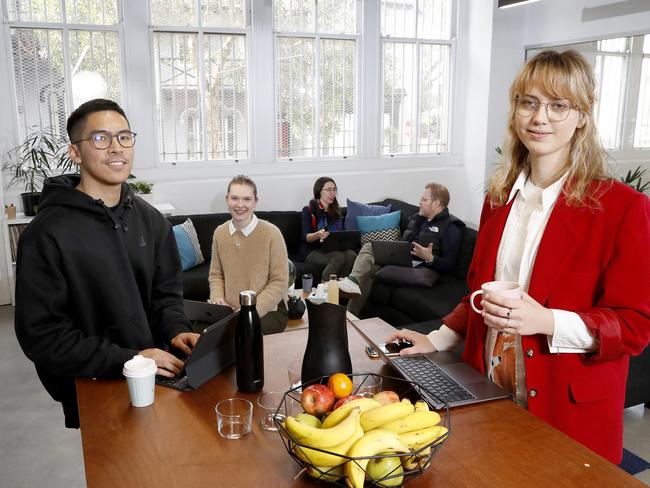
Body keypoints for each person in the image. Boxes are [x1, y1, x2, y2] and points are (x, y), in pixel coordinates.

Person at [388, 50, 650, 464]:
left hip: (568, 414)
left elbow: (634, 326)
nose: (540, 117)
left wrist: (545, 321)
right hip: (489, 391)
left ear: (582, 115)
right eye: (528, 102)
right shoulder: (498, 198)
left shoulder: (622, 208)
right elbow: (480, 296)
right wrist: (435, 339)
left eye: (558, 105)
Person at [14, 98, 199, 428]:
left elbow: (165, 296)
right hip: (94, 386)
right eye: (101, 138)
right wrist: (130, 359)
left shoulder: (152, 221)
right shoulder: (46, 233)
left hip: (160, 378)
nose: (116, 148)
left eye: (124, 137)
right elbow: (43, 336)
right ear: (75, 152)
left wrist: (176, 330)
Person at [339, 182, 465, 316]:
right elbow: (407, 242)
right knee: (369, 256)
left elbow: (450, 265)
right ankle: (349, 317)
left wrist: (430, 258)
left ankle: (352, 283)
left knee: (369, 252)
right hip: (404, 259)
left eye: (424, 199)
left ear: (436, 203)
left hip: (422, 268)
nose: (420, 202)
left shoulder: (451, 227)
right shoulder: (420, 219)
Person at [208, 175, 289, 334]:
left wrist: (248, 312)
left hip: (268, 311)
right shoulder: (220, 233)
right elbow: (216, 275)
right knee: (200, 333)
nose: (240, 205)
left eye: (246, 199)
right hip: (229, 312)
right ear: (227, 200)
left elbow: (279, 282)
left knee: (239, 334)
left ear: (255, 202)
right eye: (234, 198)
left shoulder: (271, 233)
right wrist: (218, 299)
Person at [297, 176, 357, 282]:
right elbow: (306, 237)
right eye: (328, 190)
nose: (332, 193)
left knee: (351, 254)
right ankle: (324, 290)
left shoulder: (336, 211)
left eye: (334, 190)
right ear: (319, 191)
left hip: (330, 248)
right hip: (311, 250)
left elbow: (340, 235)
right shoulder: (309, 210)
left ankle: (340, 286)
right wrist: (318, 234)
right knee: (339, 257)